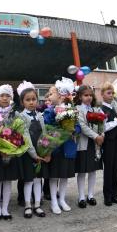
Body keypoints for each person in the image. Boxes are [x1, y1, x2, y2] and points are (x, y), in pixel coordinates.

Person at [43, 78, 77, 214]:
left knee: (64, 175)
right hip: (55, 148)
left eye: (51, 93)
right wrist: (55, 113)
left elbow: (77, 126)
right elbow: (46, 125)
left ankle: (62, 199)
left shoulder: (72, 109)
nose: (49, 96)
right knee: (54, 176)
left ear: (60, 95)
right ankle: (54, 201)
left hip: (67, 148)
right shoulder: (49, 111)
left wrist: (73, 130)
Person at [16, 81, 47, 218]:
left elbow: (45, 134)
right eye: (28, 100)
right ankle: (28, 204)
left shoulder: (40, 116)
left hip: (40, 153)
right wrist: (34, 154)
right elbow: (26, 137)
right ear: (22, 102)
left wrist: (46, 151)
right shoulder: (21, 116)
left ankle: (38, 204)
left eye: (33, 99)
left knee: (37, 179)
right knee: (29, 179)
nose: (31, 102)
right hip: (29, 153)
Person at [0, 85, 20, 221]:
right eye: (2, 95)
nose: (4, 98)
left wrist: (11, 147)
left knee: (7, 181)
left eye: (7, 95)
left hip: (11, 153)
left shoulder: (16, 114)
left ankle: (5, 209)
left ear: (11, 98)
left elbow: (20, 133)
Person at [74, 85, 104, 209]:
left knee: (92, 170)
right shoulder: (77, 109)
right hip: (83, 144)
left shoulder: (96, 110)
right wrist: (96, 136)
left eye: (90, 95)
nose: (89, 97)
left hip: (95, 145)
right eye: (86, 95)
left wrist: (102, 134)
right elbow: (82, 126)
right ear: (80, 96)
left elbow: (103, 123)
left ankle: (90, 195)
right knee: (82, 171)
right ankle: (81, 196)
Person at [101, 82, 117, 206]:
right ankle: (107, 196)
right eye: (108, 93)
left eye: (112, 93)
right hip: (108, 142)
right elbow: (104, 127)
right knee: (109, 168)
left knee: (116, 167)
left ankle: (115, 194)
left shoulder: (114, 107)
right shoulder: (101, 109)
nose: (111, 95)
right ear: (102, 94)